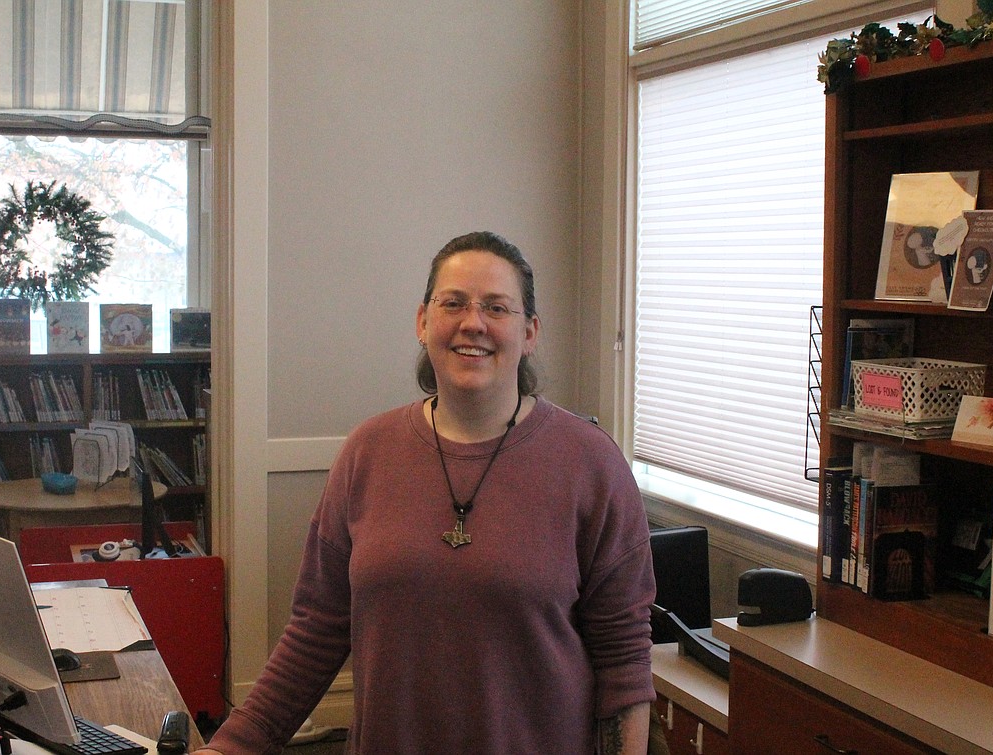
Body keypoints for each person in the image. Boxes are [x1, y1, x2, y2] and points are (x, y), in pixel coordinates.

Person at [199, 231, 656, 754]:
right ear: (423, 322)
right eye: (453, 303)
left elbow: (624, 661)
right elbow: (316, 631)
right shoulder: (367, 452)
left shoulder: (591, 463)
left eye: (497, 307)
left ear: (529, 332)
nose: (472, 322)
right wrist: (230, 746)